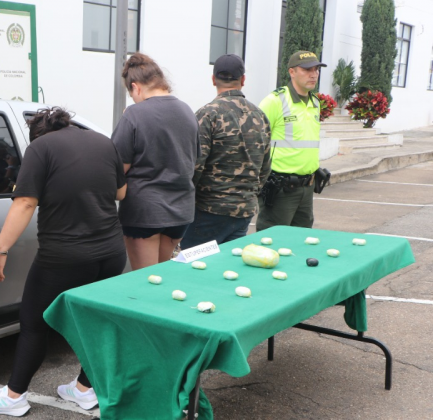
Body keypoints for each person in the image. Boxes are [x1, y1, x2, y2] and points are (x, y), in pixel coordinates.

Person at [0, 107, 127, 416]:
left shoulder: (40, 148)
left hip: (64, 256)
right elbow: (120, 192)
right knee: (95, 322)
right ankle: (85, 390)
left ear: (37, 134)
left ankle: (14, 396)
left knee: (35, 323)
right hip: (111, 253)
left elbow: (25, 203)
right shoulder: (102, 142)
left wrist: (0, 250)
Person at [111, 53, 199, 269]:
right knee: (162, 274)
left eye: (131, 93)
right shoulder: (187, 111)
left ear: (136, 87)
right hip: (181, 210)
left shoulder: (134, 114)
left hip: (144, 211)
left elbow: (117, 167)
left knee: (145, 281)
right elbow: (194, 159)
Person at [181, 54, 272, 249]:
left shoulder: (207, 114)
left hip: (209, 210)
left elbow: (195, 166)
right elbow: (265, 167)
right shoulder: (260, 116)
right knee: (228, 268)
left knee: (195, 268)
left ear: (213, 79)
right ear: (243, 80)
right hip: (244, 210)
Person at [256, 50, 327, 230]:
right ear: (292, 72)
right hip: (280, 189)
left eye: (316, 70)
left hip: (307, 187)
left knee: (301, 243)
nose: (313, 74)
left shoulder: (315, 103)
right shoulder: (274, 101)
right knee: (273, 242)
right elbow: (255, 142)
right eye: (307, 69)